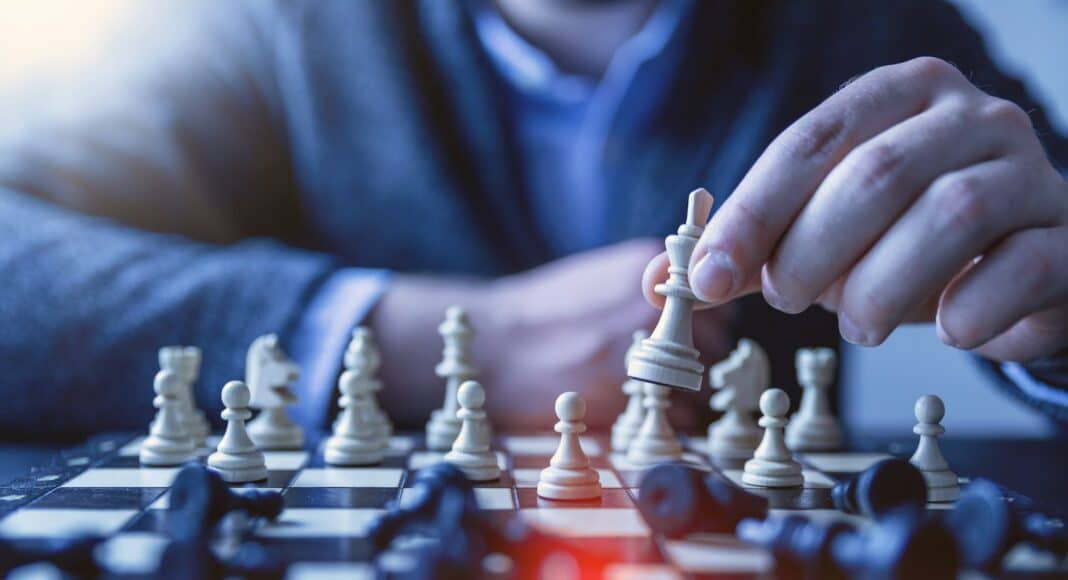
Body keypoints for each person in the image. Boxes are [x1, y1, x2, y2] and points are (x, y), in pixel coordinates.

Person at [0, 0, 1065, 440]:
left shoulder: (870, 27)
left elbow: (1040, 230)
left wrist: (1060, 327)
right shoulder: (264, 30)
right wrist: (430, 341)